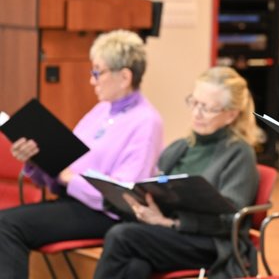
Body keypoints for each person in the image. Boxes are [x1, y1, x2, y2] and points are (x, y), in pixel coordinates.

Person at [0, 29, 163, 278]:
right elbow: (67, 167)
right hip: (75, 204)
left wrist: (69, 178)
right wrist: (37, 161)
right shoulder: (100, 111)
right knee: (5, 222)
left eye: (98, 72)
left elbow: (124, 196)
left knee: (5, 225)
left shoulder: (146, 121)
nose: (92, 80)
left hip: (108, 215)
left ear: (125, 76)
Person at [94, 66, 261, 279]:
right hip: (173, 233)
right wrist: (136, 204)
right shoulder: (180, 147)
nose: (196, 113)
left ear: (231, 115)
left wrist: (171, 223)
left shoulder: (239, 154)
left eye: (208, 108)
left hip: (212, 242)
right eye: (194, 103)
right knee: (135, 265)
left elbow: (230, 220)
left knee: (122, 236)